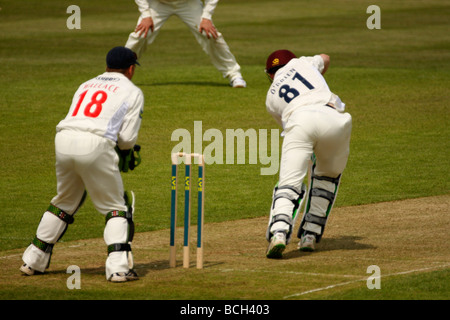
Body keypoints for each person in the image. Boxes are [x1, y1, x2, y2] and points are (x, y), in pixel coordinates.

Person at [20, 46, 145, 282]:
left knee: (64, 202)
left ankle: (32, 260)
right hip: (95, 144)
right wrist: (124, 152)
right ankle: (118, 268)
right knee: (115, 206)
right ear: (130, 69)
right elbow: (127, 139)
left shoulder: (86, 84)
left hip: (63, 140)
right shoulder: (132, 91)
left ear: (106, 66)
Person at [264, 50, 352, 259]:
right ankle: (309, 237)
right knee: (326, 178)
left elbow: (289, 126)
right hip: (334, 118)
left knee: (289, 183)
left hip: (299, 120)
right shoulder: (303, 63)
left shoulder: (270, 98)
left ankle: (278, 233)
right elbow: (327, 57)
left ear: (269, 75)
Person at [125, 0, 246, 88]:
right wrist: (146, 15)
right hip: (157, 4)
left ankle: (234, 74)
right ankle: (118, 74)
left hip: (189, 3)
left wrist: (206, 17)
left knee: (210, 34)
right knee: (140, 35)